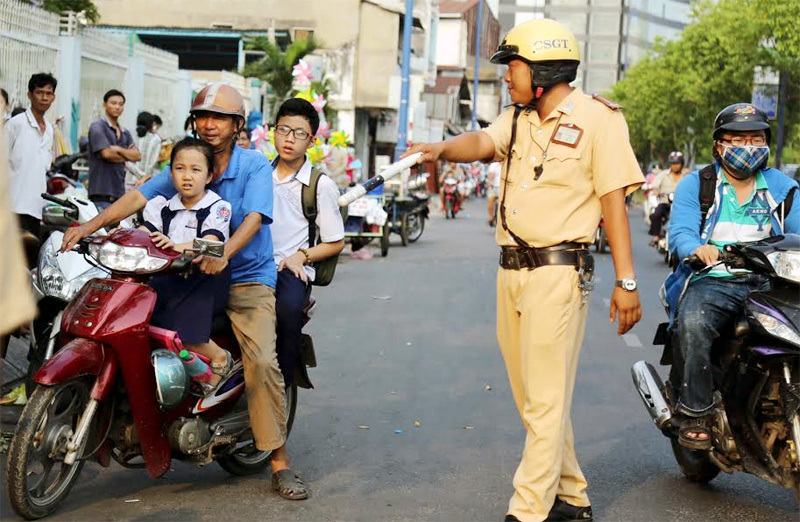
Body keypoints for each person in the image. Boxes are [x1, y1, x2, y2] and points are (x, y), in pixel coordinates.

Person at [405, 19, 643, 522]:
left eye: (512, 67)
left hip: (559, 272)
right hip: (510, 271)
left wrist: (627, 282)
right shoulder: (518, 117)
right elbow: (484, 143)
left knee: (546, 397)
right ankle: (573, 496)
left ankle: (528, 510)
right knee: (535, 398)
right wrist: (442, 148)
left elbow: (614, 202)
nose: (505, 77)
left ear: (544, 69)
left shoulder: (599, 120)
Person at [61, 83, 292, 499]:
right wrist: (89, 227)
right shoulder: (187, 161)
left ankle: (279, 460)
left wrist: (223, 253)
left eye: (219, 118)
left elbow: (255, 218)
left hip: (245, 278)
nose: (209, 124)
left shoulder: (254, 165)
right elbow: (136, 197)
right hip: (184, 272)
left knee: (260, 360)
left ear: (237, 124)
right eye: (203, 116)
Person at [664, 103, 799, 450]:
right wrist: (697, 248)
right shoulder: (698, 184)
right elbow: (681, 232)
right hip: (714, 279)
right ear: (719, 145)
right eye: (737, 139)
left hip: (771, 284)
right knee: (692, 321)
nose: (747, 146)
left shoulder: (784, 188)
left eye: (755, 139)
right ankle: (695, 411)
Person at [269, 98, 344, 498]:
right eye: (283, 130)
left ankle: (281, 377)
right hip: (253, 268)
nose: (289, 139)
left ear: (310, 140)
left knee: (286, 314)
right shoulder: (258, 175)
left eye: (299, 133)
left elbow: (334, 240)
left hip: (291, 270)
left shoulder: (319, 184)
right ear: (273, 131)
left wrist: (300, 256)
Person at [140, 138, 233, 393]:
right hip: (166, 278)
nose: (187, 176)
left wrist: (174, 245)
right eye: (180, 168)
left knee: (177, 327)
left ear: (209, 175)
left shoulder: (218, 208)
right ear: (171, 173)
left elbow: (212, 244)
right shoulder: (160, 207)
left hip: (203, 280)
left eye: (196, 169)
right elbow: (142, 233)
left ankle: (219, 357)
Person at [5, 73, 57, 238]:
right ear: (29, 95)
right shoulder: (16, 124)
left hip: (35, 210)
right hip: (12, 208)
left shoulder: (49, 130)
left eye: (48, 94)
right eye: (39, 92)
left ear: (53, 97)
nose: (44, 98)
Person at [87, 89, 140, 211]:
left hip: (119, 194)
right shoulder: (98, 127)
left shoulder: (125, 132)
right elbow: (106, 153)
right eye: (113, 103)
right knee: (102, 230)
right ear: (104, 105)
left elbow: (137, 156)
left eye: (121, 104)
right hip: (101, 193)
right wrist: (126, 155)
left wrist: (117, 149)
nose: (117, 107)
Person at [648, 151, 686, 245]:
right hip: (665, 202)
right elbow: (655, 187)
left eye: (677, 163)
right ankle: (656, 236)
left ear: (681, 164)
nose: (675, 166)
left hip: (680, 204)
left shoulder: (686, 176)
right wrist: (658, 193)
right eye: (673, 163)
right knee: (656, 214)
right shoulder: (663, 174)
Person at [126, 111, 162, 190]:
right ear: (151, 124)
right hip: (145, 183)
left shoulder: (130, 136)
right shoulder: (156, 139)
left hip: (128, 181)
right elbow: (152, 164)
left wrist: (137, 172)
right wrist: (144, 176)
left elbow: (126, 161)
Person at [487, 161, 502, 225]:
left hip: (503, 187)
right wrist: (489, 182)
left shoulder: (508, 163)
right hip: (494, 186)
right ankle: (491, 218)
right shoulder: (493, 165)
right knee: (490, 202)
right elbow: (491, 174)